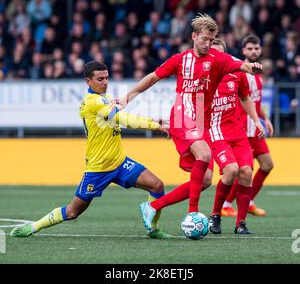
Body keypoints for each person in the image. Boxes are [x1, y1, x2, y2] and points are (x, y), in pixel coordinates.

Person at [117, 13, 263, 234]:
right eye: (204, 39)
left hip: (200, 123)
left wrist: (253, 68)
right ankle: (193, 213)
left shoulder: (218, 59)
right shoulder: (180, 59)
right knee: (204, 155)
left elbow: (243, 66)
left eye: (211, 40)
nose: (207, 44)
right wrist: (129, 96)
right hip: (182, 115)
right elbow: (153, 77)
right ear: (194, 36)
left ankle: (153, 206)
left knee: (205, 181)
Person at [10, 61, 173, 239]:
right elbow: (124, 119)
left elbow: (117, 113)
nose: (105, 82)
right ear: (88, 81)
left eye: (107, 78)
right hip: (98, 168)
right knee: (73, 212)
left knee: (157, 185)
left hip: (119, 162)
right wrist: (154, 124)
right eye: (100, 79)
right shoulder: (91, 103)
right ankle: (33, 227)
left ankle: (152, 229)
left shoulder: (105, 98)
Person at [208, 38, 264, 235]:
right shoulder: (202, 76)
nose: (215, 57)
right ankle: (215, 215)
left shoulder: (236, 73)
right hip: (217, 133)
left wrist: (257, 121)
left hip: (238, 133)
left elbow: (245, 97)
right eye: (211, 53)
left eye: (219, 54)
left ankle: (241, 223)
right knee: (231, 170)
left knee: (247, 172)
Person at [221, 35, 274, 217]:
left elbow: (256, 100)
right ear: (243, 51)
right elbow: (242, 100)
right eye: (250, 49)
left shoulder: (258, 74)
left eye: (256, 48)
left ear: (260, 50)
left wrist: (265, 118)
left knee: (267, 164)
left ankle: (249, 201)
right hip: (243, 129)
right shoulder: (241, 72)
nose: (253, 51)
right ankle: (227, 204)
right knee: (246, 169)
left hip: (256, 129)